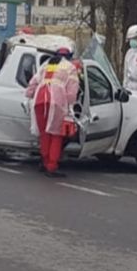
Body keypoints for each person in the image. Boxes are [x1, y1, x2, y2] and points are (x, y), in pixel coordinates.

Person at [25, 47, 80, 178]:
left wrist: (28, 95)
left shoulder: (46, 64)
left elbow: (33, 82)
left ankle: (44, 162)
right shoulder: (70, 67)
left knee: (44, 134)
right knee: (56, 134)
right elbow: (72, 91)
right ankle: (52, 166)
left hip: (39, 100)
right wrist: (70, 105)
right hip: (56, 101)